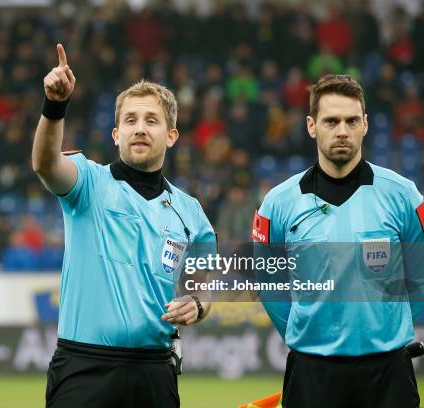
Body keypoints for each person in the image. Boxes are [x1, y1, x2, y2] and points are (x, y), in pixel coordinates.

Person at [32, 44, 216, 408]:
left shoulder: (190, 212)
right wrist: (55, 106)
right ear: (116, 134)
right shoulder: (88, 182)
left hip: (154, 370)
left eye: (151, 120)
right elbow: (45, 164)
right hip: (84, 366)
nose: (140, 128)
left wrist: (197, 302)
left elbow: (205, 284)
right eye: (130, 120)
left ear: (171, 135)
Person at [252, 74, 423, 407]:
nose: (342, 130)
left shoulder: (404, 196)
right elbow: (270, 283)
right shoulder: (278, 204)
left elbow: (420, 277)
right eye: (331, 121)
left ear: (365, 125)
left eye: (351, 120)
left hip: (387, 372)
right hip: (312, 371)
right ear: (311, 126)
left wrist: (389, 329)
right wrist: (309, 332)